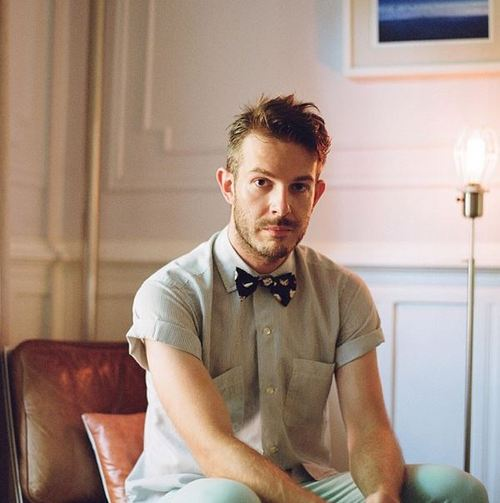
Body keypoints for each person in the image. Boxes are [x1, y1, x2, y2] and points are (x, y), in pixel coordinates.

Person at [125, 95, 488, 503]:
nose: (281, 207)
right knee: (228, 499)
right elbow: (212, 448)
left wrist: (383, 495)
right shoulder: (169, 293)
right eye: (262, 182)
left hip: (306, 485)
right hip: (196, 489)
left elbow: (369, 428)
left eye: (299, 186)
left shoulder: (343, 292)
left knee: (456, 490)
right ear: (228, 186)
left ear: (316, 194)